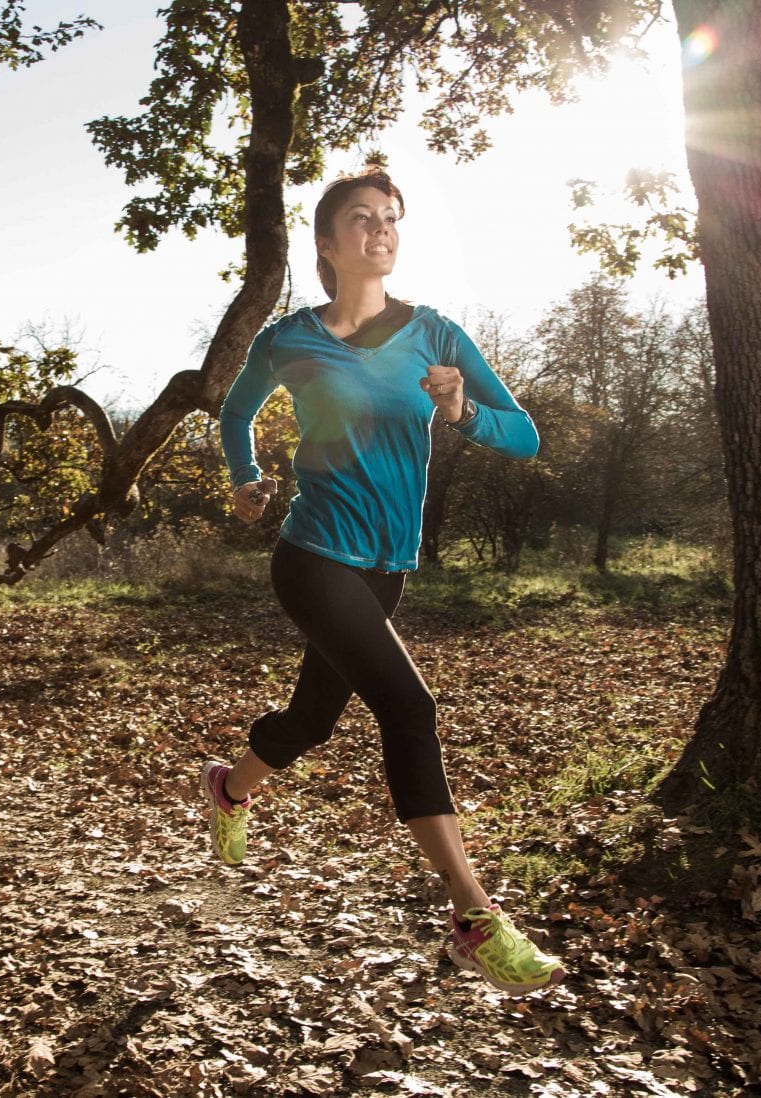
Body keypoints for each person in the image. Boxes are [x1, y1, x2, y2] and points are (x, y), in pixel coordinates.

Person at [201, 168, 565, 996]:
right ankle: (474, 916)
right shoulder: (289, 339)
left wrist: (463, 410)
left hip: (386, 567)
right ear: (327, 245)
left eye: (392, 219)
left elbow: (526, 437)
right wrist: (245, 475)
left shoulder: (436, 335)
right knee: (410, 706)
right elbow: (234, 411)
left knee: (313, 720)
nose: (382, 230)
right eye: (362, 220)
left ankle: (231, 788)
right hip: (313, 555)